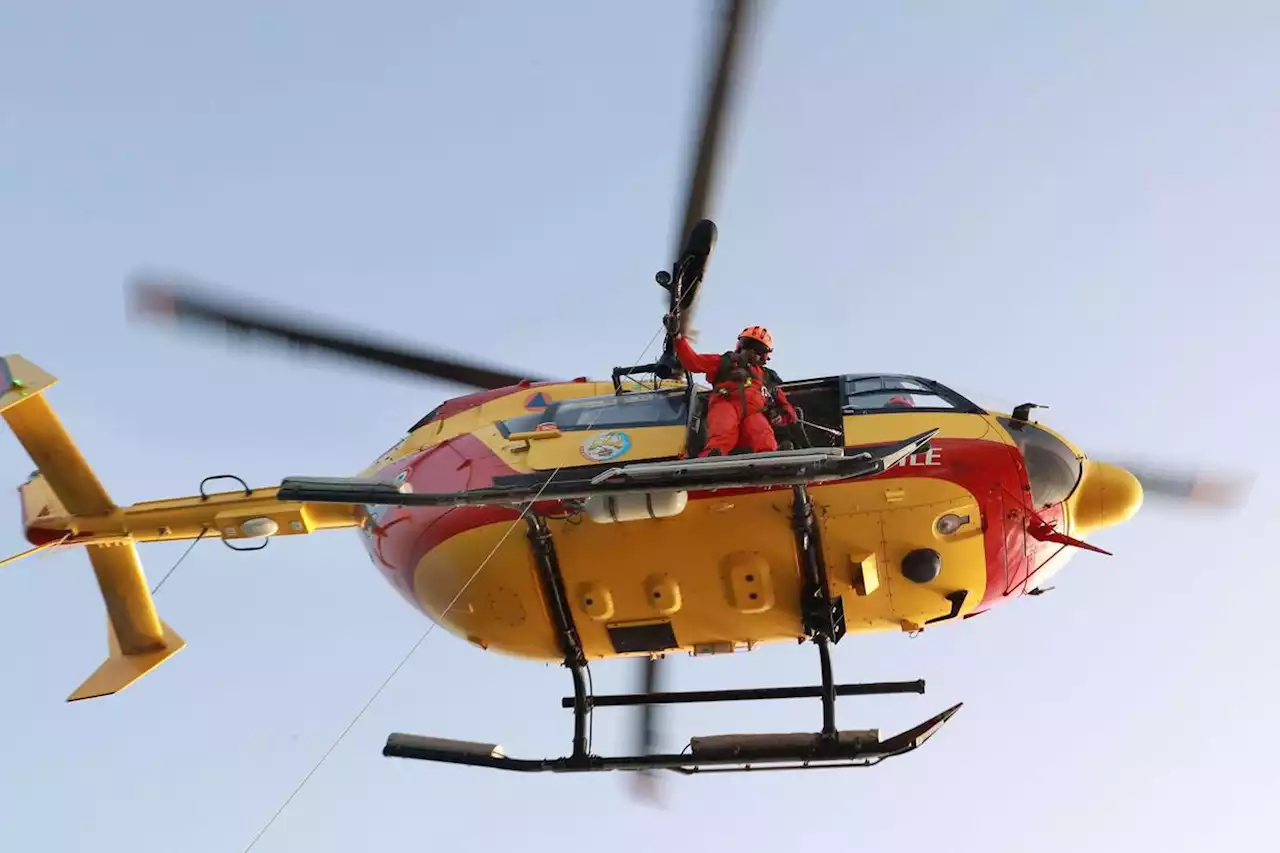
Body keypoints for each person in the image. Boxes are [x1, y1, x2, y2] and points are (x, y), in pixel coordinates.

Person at [666, 319, 798, 456]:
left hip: (753, 412)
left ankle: (774, 459)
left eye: (760, 350)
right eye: (749, 346)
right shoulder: (724, 362)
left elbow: (785, 404)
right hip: (725, 404)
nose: (753, 352)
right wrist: (677, 336)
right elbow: (692, 361)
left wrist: (783, 416)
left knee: (763, 436)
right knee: (723, 435)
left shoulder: (767, 377)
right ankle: (711, 460)